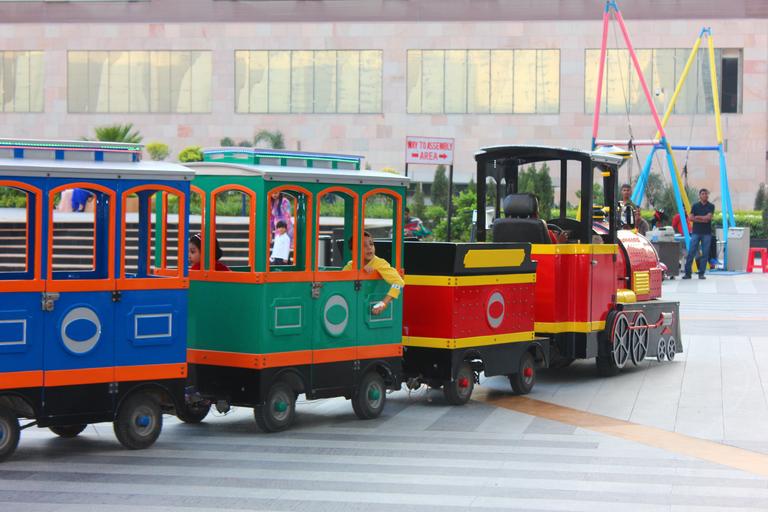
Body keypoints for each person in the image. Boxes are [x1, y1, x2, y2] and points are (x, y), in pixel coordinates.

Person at [342, 231, 404, 316]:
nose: (369, 248)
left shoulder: (380, 263)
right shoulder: (350, 265)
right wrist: (361, 270)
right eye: (364, 245)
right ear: (353, 251)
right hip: (352, 308)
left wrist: (383, 303)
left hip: (369, 309)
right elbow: (341, 284)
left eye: (371, 244)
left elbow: (398, 282)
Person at [683, 188, 715, 280]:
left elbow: (708, 218)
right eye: (703, 194)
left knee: (705, 254)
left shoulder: (711, 206)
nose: (704, 195)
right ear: (700, 196)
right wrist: (703, 218)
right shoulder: (695, 206)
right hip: (696, 232)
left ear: (708, 195)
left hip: (707, 233)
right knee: (691, 252)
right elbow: (690, 218)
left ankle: (701, 273)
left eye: (706, 194)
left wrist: (697, 217)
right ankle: (688, 273)